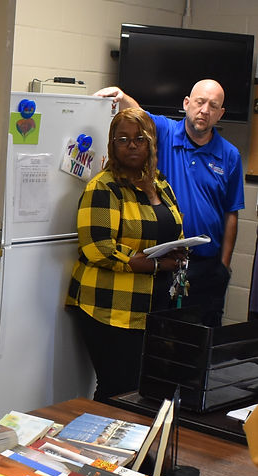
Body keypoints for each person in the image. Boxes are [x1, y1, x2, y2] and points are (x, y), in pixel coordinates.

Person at [95, 80, 244, 326]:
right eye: (200, 102)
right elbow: (139, 115)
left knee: (202, 336)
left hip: (207, 267)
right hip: (165, 263)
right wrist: (121, 95)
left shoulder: (230, 155)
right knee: (162, 334)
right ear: (186, 103)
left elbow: (231, 213)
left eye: (213, 106)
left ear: (220, 113)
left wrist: (223, 266)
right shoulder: (165, 132)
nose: (204, 110)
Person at [65, 108, 186, 403]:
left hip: (154, 306)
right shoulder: (103, 187)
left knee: (144, 389)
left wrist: (180, 250)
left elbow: (174, 230)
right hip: (109, 305)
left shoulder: (161, 184)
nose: (132, 145)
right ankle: (100, 435)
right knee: (118, 388)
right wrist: (155, 264)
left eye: (139, 139)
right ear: (112, 145)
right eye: (123, 139)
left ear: (151, 143)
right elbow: (98, 247)